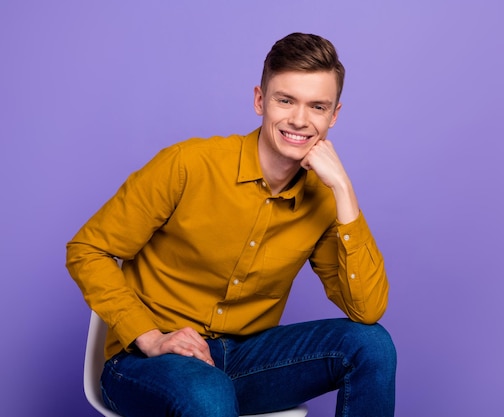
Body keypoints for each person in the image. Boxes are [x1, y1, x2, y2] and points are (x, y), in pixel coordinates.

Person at [66, 32, 396, 417]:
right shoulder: (188, 165)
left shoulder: (323, 199)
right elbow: (87, 250)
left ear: (334, 115)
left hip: (243, 362)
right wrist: (151, 338)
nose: (300, 120)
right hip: (146, 362)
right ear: (260, 100)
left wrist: (343, 190)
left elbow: (368, 311)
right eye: (285, 100)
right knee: (206, 390)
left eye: (317, 106)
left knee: (371, 345)